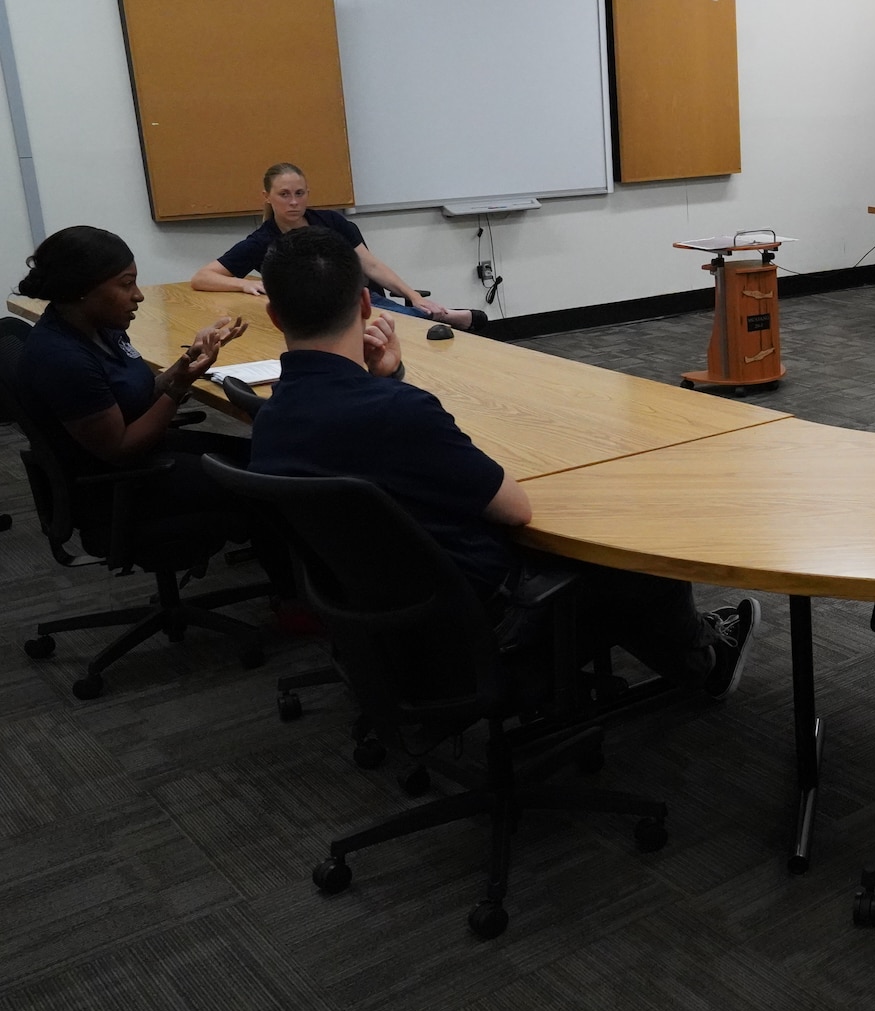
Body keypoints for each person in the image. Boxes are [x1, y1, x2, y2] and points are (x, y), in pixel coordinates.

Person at [247, 226, 760, 698]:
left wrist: (387, 380)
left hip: (383, 623)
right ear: (365, 303)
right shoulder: (400, 414)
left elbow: (370, 448)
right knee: (636, 541)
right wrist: (394, 389)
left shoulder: (270, 421)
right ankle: (702, 664)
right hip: (489, 623)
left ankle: (687, 647)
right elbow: (515, 510)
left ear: (274, 315)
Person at [13, 224, 254, 521]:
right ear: (82, 290)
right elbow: (120, 449)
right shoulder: (63, 358)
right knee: (260, 485)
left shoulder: (101, 327)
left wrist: (188, 358)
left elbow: (135, 393)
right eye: (126, 284)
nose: (138, 295)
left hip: (147, 453)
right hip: (119, 484)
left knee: (260, 457)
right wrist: (178, 387)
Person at [192, 162, 485, 332]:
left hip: (353, 297)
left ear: (308, 194)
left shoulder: (331, 221)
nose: (293, 202)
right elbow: (203, 277)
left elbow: (371, 265)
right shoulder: (262, 240)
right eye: (284, 194)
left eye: (299, 193)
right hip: (309, 313)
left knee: (394, 322)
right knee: (395, 325)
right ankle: (444, 315)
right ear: (267, 197)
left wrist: (411, 295)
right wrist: (242, 286)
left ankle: (435, 314)